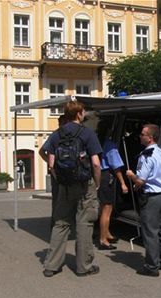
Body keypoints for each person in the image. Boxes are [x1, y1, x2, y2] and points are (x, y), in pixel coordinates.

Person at [43, 101, 102, 278]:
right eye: (83, 111)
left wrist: (59, 179)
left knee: (61, 223)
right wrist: (97, 183)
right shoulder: (87, 134)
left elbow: (51, 163)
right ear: (78, 114)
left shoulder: (57, 134)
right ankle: (84, 266)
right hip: (85, 184)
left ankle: (51, 265)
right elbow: (96, 163)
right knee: (85, 223)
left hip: (65, 185)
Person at [126, 124, 161, 277]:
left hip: (151, 197)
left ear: (150, 137)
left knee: (150, 232)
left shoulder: (147, 156)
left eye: (142, 134)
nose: (140, 136)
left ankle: (152, 266)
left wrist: (131, 175)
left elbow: (140, 181)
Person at [98, 128, 128, 250]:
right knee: (107, 209)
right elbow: (116, 166)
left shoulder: (97, 142)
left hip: (98, 176)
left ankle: (107, 233)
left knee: (102, 207)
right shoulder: (110, 145)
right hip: (106, 176)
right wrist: (123, 183)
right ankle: (103, 240)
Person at [39, 114, 71, 229]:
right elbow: (42, 151)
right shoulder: (56, 135)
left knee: (61, 198)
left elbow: (42, 151)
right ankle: (56, 223)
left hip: (59, 170)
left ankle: (60, 222)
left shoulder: (56, 135)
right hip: (57, 172)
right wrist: (50, 162)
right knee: (58, 198)